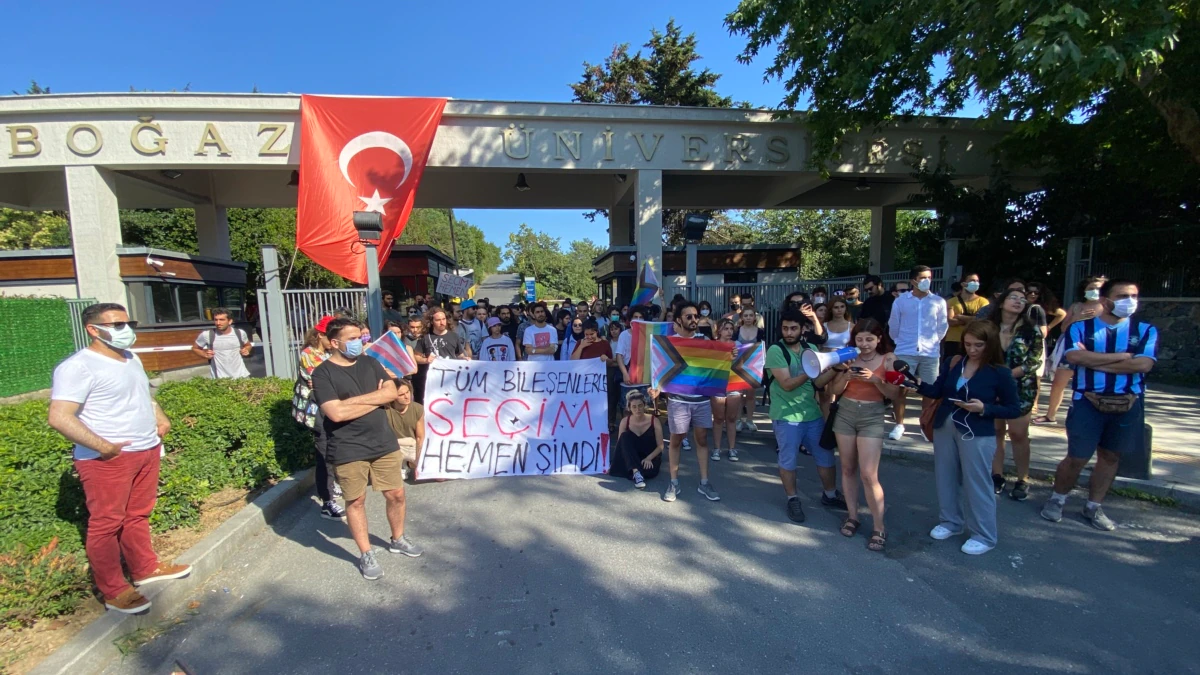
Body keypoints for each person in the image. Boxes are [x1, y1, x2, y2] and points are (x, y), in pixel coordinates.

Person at [48, 302, 191, 614]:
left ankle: (144, 568)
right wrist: (103, 446)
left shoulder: (130, 358)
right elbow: (59, 416)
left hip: (146, 449)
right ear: (93, 329)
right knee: (106, 524)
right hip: (107, 459)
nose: (125, 331)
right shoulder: (78, 367)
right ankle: (114, 590)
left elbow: (141, 395)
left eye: (128, 323)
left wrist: (159, 414)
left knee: (137, 514)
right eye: (116, 325)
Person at [311, 317, 423, 580]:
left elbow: (391, 393)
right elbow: (335, 414)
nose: (358, 342)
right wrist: (376, 398)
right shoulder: (323, 373)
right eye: (352, 338)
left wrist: (353, 403)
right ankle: (366, 553)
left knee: (396, 494)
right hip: (347, 445)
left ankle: (397, 538)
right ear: (335, 342)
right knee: (356, 500)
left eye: (360, 337)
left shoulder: (371, 362)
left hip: (383, 441)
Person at [1040, 280, 1157, 531]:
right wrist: (1123, 358)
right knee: (1077, 456)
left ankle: (1093, 506)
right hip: (1087, 401)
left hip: (1128, 402)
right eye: (1123, 295)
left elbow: (1144, 365)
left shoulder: (1146, 330)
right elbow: (1074, 357)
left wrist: (1093, 361)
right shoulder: (1081, 329)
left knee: (1111, 456)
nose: (1130, 300)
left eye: (1134, 295)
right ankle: (1057, 499)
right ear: (1105, 300)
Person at [918, 321, 1022, 555]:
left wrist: (984, 408)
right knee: (945, 476)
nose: (972, 349)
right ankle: (951, 522)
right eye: (967, 344)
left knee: (978, 483)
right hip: (946, 424)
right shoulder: (954, 362)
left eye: (978, 345)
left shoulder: (1000, 372)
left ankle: (984, 535)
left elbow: (1014, 408)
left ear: (990, 344)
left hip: (976, 430)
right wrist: (912, 382)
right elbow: (937, 391)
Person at [825, 318, 902, 551]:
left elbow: (895, 394)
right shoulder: (848, 356)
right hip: (846, 412)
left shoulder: (889, 359)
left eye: (870, 339)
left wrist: (876, 379)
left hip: (872, 415)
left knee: (869, 474)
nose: (865, 343)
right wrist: (845, 377)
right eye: (860, 339)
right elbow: (833, 391)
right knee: (848, 468)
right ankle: (852, 516)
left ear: (879, 338)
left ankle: (879, 527)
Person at [766, 309, 847, 525]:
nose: (789, 332)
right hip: (786, 415)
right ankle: (793, 499)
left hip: (812, 414)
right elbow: (786, 384)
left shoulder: (810, 349)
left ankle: (830, 495)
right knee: (788, 460)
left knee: (826, 457)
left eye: (793, 328)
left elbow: (818, 384)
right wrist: (809, 372)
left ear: (803, 329)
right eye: (785, 328)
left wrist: (836, 369)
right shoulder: (775, 350)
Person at [655, 302, 721, 503]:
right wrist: (656, 387)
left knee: (701, 440)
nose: (694, 320)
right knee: (675, 440)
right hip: (678, 400)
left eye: (695, 316)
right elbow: (661, 369)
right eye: (689, 316)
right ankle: (674, 482)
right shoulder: (669, 343)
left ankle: (704, 482)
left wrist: (730, 355)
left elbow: (718, 363)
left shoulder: (705, 340)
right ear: (678, 320)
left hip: (701, 400)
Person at [988, 289, 1044, 500]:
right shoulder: (989, 327)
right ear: (1001, 303)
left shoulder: (1032, 331)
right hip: (992, 387)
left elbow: (1034, 361)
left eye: (1022, 299)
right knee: (996, 431)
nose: (1019, 301)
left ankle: (1023, 479)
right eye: (1014, 297)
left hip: (1021, 387)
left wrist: (1008, 376)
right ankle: (997, 475)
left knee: (1019, 434)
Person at [1036, 277, 1108, 425]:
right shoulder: (1076, 306)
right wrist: (1078, 317)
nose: (1094, 291)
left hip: (1095, 350)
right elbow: (1063, 328)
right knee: (1058, 382)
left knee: (1092, 384)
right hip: (1071, 347)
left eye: (1098, 288)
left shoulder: (1106, 307)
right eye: (1091, 288)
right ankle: (1051, 415)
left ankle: (1093, 417)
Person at [888, 265, 948, 440]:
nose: (927, 281)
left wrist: (933, 342)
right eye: (923, 277)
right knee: (901, 389)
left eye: (929, 277)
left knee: (929, 390)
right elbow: (894, 325)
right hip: (905, 350)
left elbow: (942, 326)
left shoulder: (938, 301)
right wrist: (901, 342)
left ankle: (925, 424)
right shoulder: (901, 301)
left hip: (930, 353)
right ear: (913, 280)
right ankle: (899, 424)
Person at [294, 316, 345, 521]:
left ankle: (331, 487)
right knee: (324, 454)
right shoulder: (308, 355)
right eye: (331, 337)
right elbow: (326, 381)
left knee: (333, 450)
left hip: (330, 410)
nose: (334, 341)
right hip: (317, 413)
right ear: (319, 335)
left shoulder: (327, 353)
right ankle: (327, 501)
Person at [609, 390, 664, 489]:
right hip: (632, 455)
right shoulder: (625, 421)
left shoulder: (654, 420)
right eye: (634, 407)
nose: (637, 409)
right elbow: (620, 444)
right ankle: (636, 472)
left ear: (644, 405)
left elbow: (660, 446)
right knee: (624, 436)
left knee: (649, 472)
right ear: (629, 408)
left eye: (640, 406)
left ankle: (636, 470)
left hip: (648, 456)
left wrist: (649, 458)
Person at [709, 319, 744, 462]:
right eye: (726, 329)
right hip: (717, 385)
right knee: (718, 419)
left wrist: (736, 358)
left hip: (734, 385)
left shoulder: (738, 345)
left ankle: (732, 449)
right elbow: (709, 367)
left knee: (731, 418)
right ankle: (716, 448)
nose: (729, 332)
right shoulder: (712, 346)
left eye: (731, 328)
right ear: (719, 331)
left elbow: (742, 367)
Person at [192, 308, 252, 379]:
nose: (218, 323)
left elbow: (248, 345)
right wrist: (205, 355)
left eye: (222, 320)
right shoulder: (207, 335)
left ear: (230, 321)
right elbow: (195, 348)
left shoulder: (240, 333)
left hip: (242, 376)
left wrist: (246, 350)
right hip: (219, 379)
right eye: (216, 320)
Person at [734, 306, 767, 433]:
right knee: (738, 394)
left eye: (750, 315)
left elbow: (762, 348)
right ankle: (738, 419)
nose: (748, 318)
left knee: (751, 395)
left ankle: (749, 419)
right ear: (742, 317)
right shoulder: (737, 331)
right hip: (739, 365)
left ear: (754, 317)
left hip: (754, 367)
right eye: (746, 315)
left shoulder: (760, 331)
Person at [385, 379, 424, 480]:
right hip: (393, 446)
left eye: (408, 392)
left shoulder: (418, 408)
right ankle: (398, 466)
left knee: (439, 477)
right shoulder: (386, 410)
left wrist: (419, 461)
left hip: (412, 445)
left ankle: (407, 464)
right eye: (401, 394)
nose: (407, 396)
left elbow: (420, 437)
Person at [945, 273, 989, 359]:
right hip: (953, 340)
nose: (975, 283)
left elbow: (982, 321)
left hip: (975, 341)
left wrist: (960, 317)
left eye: (977, 281)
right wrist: (972, 319)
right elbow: (950, 321)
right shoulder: (951, 301)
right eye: (972, 281)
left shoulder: (983, 302)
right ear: (963, 284)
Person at [614, 305, 650, 406]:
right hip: (628, 380)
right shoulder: (624, 335)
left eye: (640, 317)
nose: (638, 320)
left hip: (644, 381)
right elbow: (619, 355)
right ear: (630, 319)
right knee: (627, 409)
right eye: (635, 317)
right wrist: (625, 374)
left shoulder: (649, 335)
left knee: (644, 409)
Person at [403, 316, 428, 403]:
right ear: (408, 327)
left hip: (424, 374)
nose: (415, 330)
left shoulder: (426, 338)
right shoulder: (404, 339)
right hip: (409, 377)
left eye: (418, 327)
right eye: (412, 327)